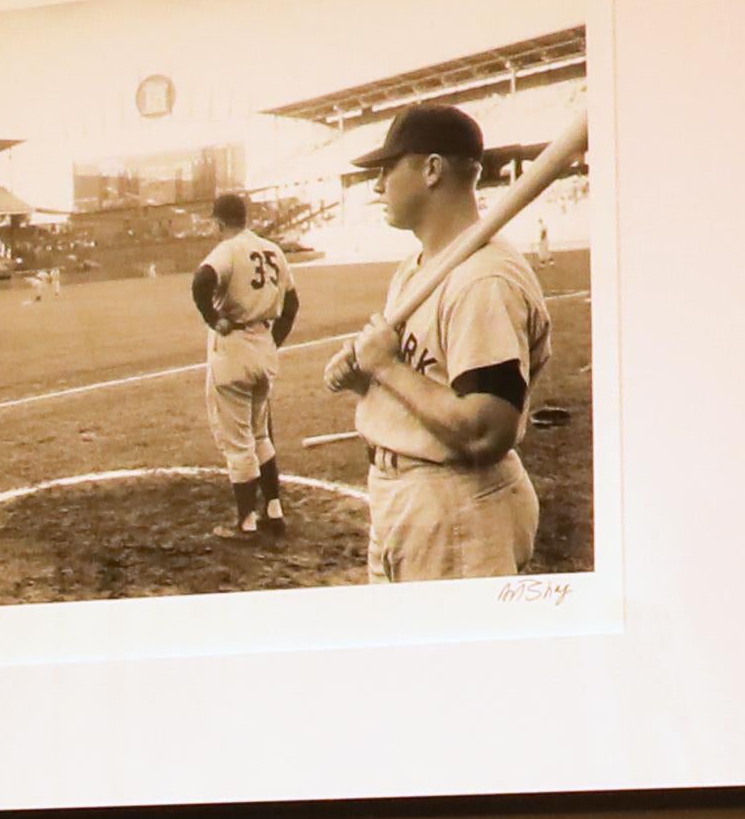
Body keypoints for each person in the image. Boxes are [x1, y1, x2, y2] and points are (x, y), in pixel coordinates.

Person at [334, 106, 548, 581]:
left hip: (457, 510)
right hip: (409, 502)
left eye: (387, 169)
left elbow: (487, 430)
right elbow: (426, 385)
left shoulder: (482, 280)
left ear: (431, 169)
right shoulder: (418, 268)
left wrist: (388, 368)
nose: (377, 185)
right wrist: (368, 380)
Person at [186, 189, 300, 531]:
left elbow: (201, 281)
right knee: (260, 433)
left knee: (237, 441)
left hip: (233, 348)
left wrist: (212, 318)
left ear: (219, 221)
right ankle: (274, 509)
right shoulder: (274, 250)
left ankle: (247, 520)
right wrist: (270, 342)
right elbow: (292, 305)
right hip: (263, 348)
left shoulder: (227, 250)